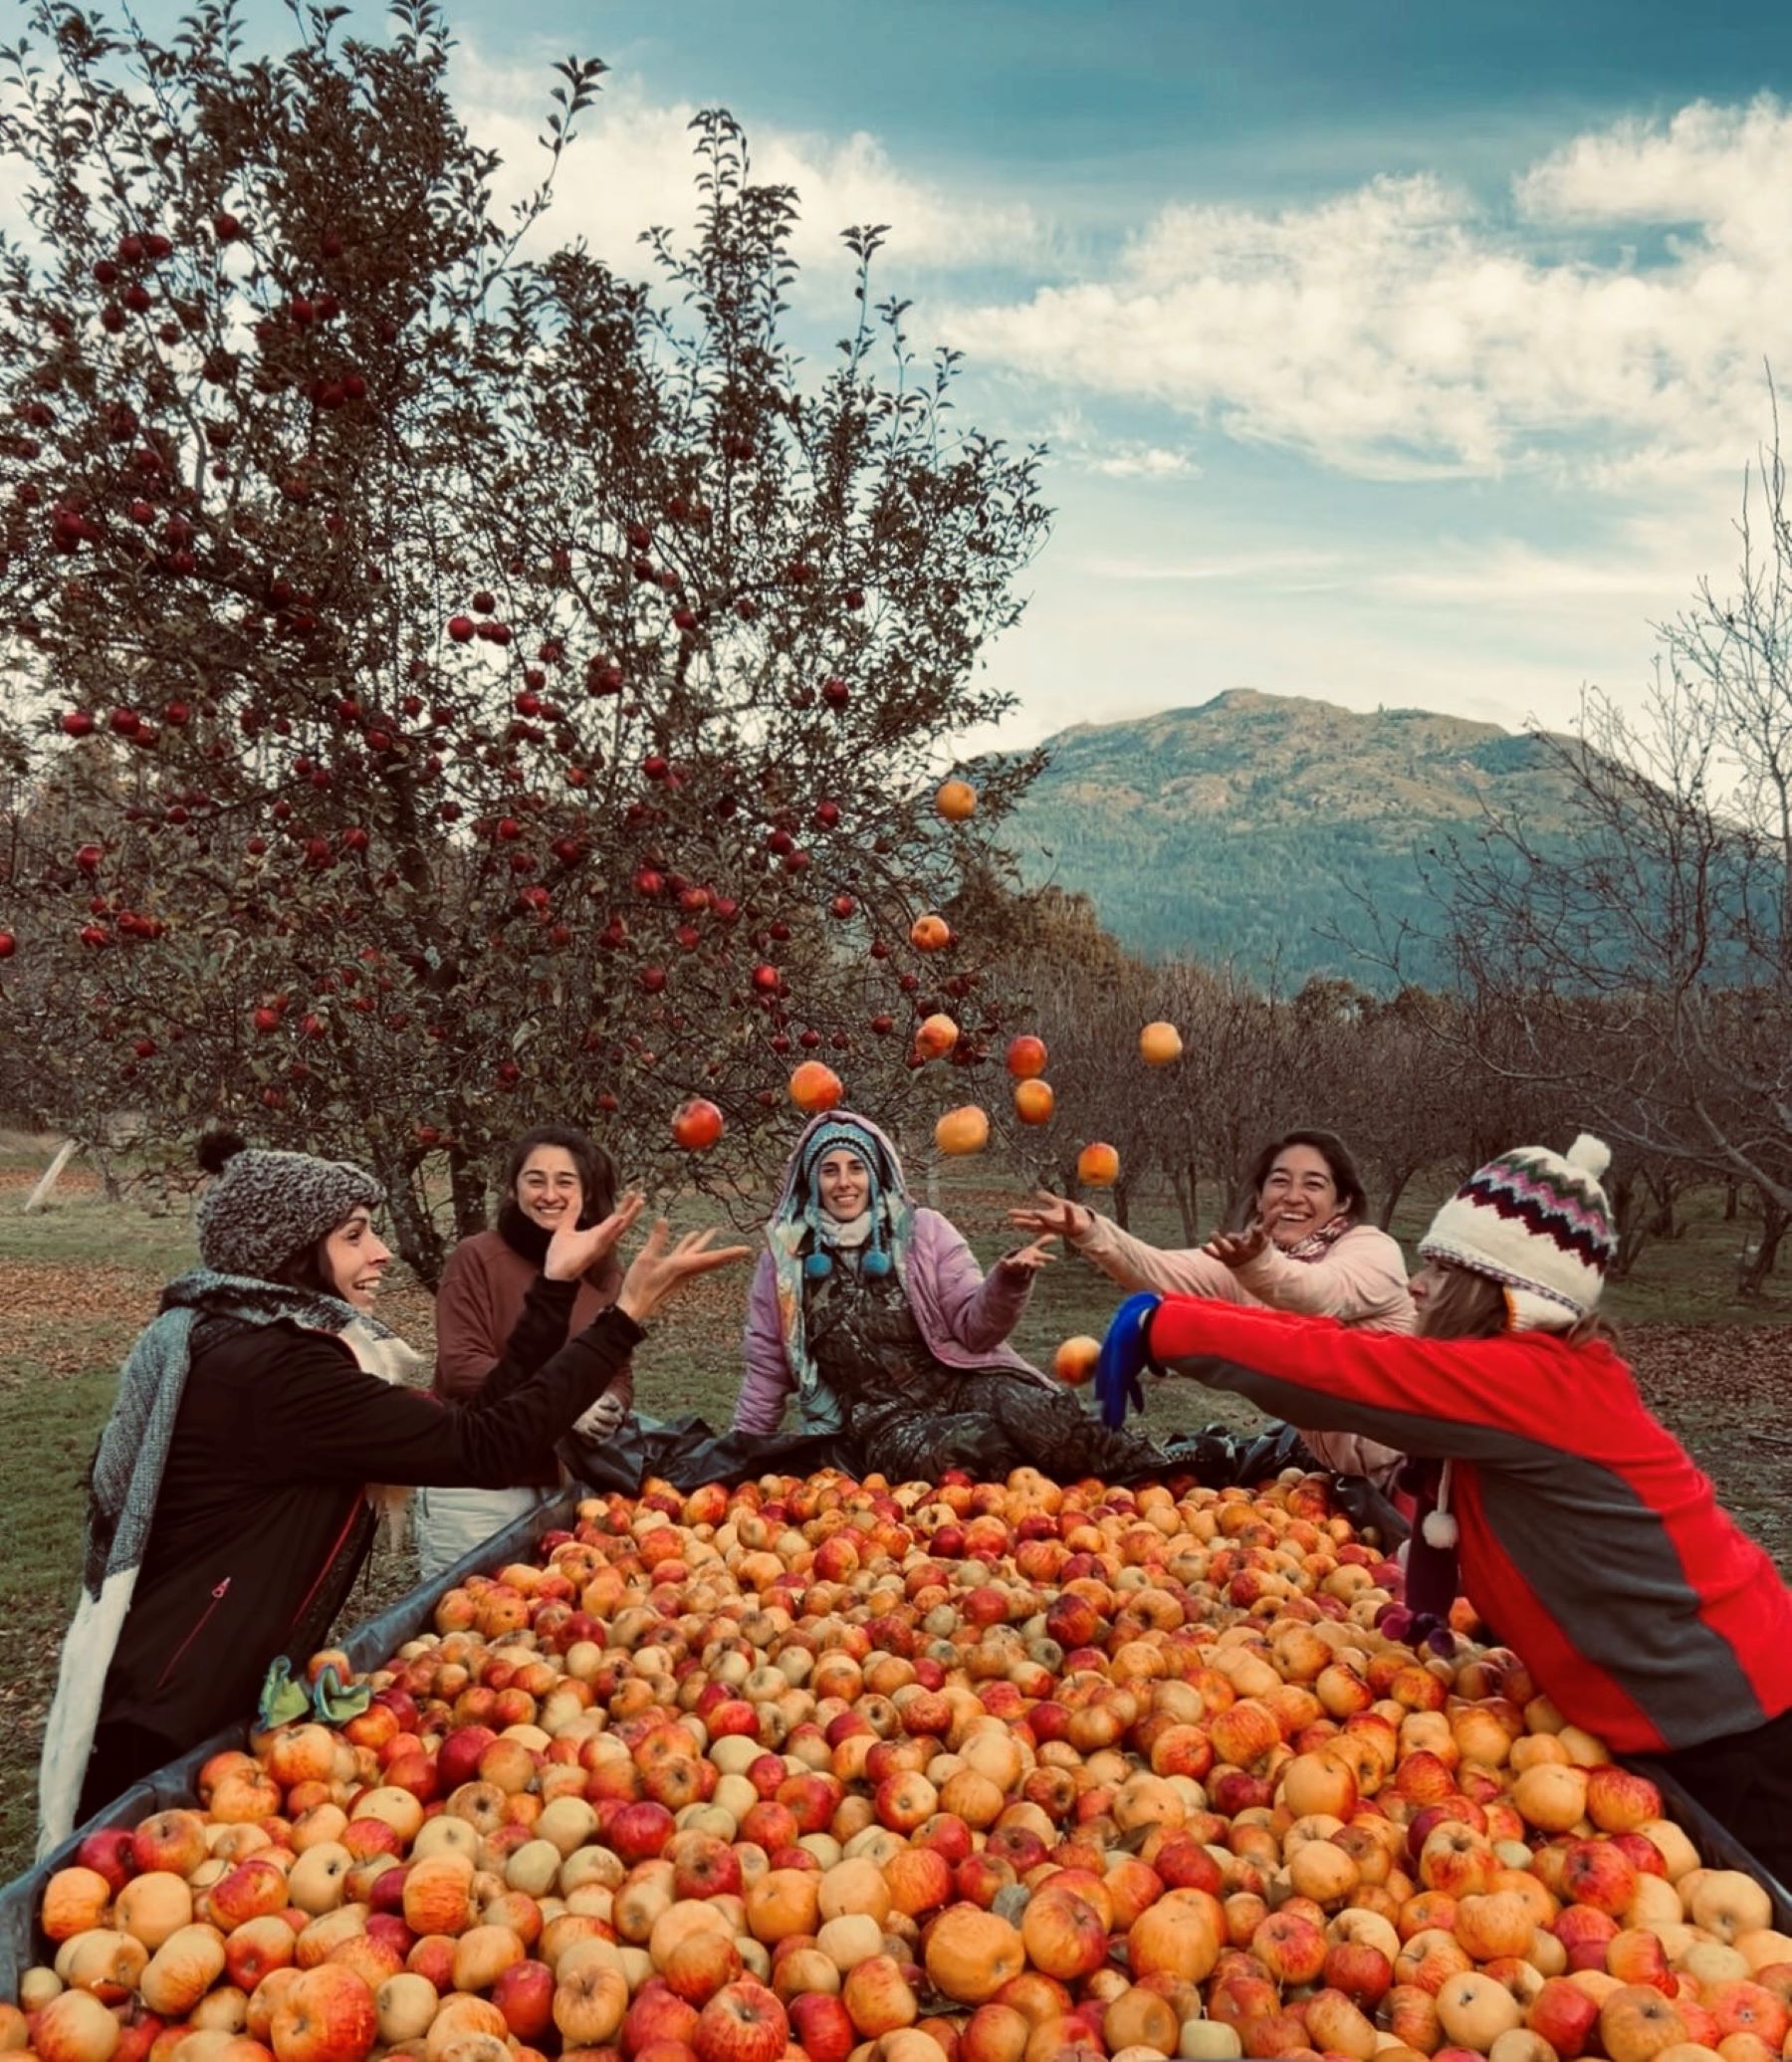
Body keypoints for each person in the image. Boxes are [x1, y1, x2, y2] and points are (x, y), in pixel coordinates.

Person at [1096, 1133, 1792, 1883]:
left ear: (1500, 1292)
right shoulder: (1528, 1381)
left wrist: (1165, 1328)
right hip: (1691, 1703)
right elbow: (1330, 1341)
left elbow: (1350, 1371)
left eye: (1442, 1269)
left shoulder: (1535, 1384)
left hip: (1733, 1718)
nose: (1419, 1286)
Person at [39, 1130, 747, 1855]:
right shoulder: (279, 1376)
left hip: (193, 1678)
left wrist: (557, 1287)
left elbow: (472, 1422)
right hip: (171, 1704)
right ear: (292, 1251)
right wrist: (621, 1319)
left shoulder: (251, 1344)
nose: (379, 1251)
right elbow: (487, 1446)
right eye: (354, 1235)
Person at [736, 1111, 1166, 1483]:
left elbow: (975, 1331)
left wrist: (1007, 1283)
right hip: (882, 1420)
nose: (844, 1182)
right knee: (981, 1444)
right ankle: (1039, 1508)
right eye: (830, 1171)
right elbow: (767, 1367)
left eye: (856, 1167)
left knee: (1043, 1418)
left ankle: (1165, 1473)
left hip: (961, 1381)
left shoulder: (924, 1232)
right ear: (812, 1181)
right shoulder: (786, 1263)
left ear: (875, 1172)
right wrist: (740, 1457)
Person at [1010, 1127, 1414, 1484]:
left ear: (1342, 1202)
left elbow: (1317, 1295)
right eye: (1279, 1181)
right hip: (1346, 1473)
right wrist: (1091, 1229)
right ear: (1259, 1197)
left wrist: (1257, 1265)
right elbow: (1159, 1270)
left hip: (1415, 1462)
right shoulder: (1251, 1262)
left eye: (1314, 1184)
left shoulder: (1371, 1251)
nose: (1293, 1196)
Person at [419, 1125, 632, 1582]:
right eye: (535, 1180)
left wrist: (611, 1402)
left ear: (587, 1191)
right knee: (465, 1617)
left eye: (565, 1182)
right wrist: (564, 1406)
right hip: (478, 1486)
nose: (549, 1194)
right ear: (514, 1189)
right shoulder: (476, 1257)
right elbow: (460, 1367)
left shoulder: (604, 1271)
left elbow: (616, 1369)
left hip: (564, 1480)